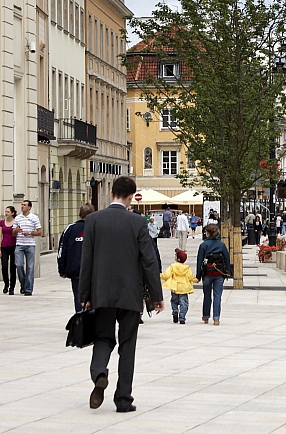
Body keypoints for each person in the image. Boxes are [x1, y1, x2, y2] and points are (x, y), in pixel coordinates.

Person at [79, 176, 164, 412]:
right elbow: (149, 261)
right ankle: (123, 399)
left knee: (103, 338)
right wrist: (156, 296)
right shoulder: (137, 223)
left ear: (112, 193)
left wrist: (84, 294)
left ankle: (99, 374)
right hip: (130, 295)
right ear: (130, 197)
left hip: (101, 293)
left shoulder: (93, 220)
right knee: (128, 345)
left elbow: (87, 261)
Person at [58, 204, 95, 313]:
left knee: (79, 296)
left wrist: (62, 269)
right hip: (93, 270)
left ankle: (81, 321)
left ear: (79, 214)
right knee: (94, 297)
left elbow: (62, 250)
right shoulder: (96, 228)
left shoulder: (70, 229)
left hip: (76, 269)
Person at [196, 223, 231, 326]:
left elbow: (199, 261)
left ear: (207, 233)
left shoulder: (203, 245)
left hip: (207, 272)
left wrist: (198, 275)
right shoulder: (221, 245)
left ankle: (206, 316)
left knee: (207, 295)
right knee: (217, 296)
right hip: (219, 273)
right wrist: (227, 271)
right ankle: (216, 318)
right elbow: (227, 259)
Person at [12, 199, 42, 296]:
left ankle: (28, 289)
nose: (22, 206)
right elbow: (13, 233)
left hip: (30, 244)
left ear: (29, 207)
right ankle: (23, 284)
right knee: (19, 265)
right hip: (19, 244)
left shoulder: (34, 218)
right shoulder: (17, 218)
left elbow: (39, 232)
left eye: (24, 205)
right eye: (22, 205)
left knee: (30, 267)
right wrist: (16, 230)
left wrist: (29, 233)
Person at [161, 248, 198, 324]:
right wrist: (196, 280)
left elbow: (166, 275)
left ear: (177, 258)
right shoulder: (186, 268)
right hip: (184, 288)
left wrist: (159, 275)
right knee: (184, 303)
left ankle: (175, 311)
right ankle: (182, 317)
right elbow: (190, 277)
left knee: (174, 301)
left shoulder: (172, 266)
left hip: (175, 287)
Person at [0, 206, 17, 295]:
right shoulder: (2, 223)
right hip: (4, 247)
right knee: (4, 267)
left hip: (13, 247)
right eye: (5, 212)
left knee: (13, 268)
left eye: (8, 212)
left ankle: (12, 287)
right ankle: (6, 284)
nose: (6, 213)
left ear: (12, 213)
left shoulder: (16, 222)